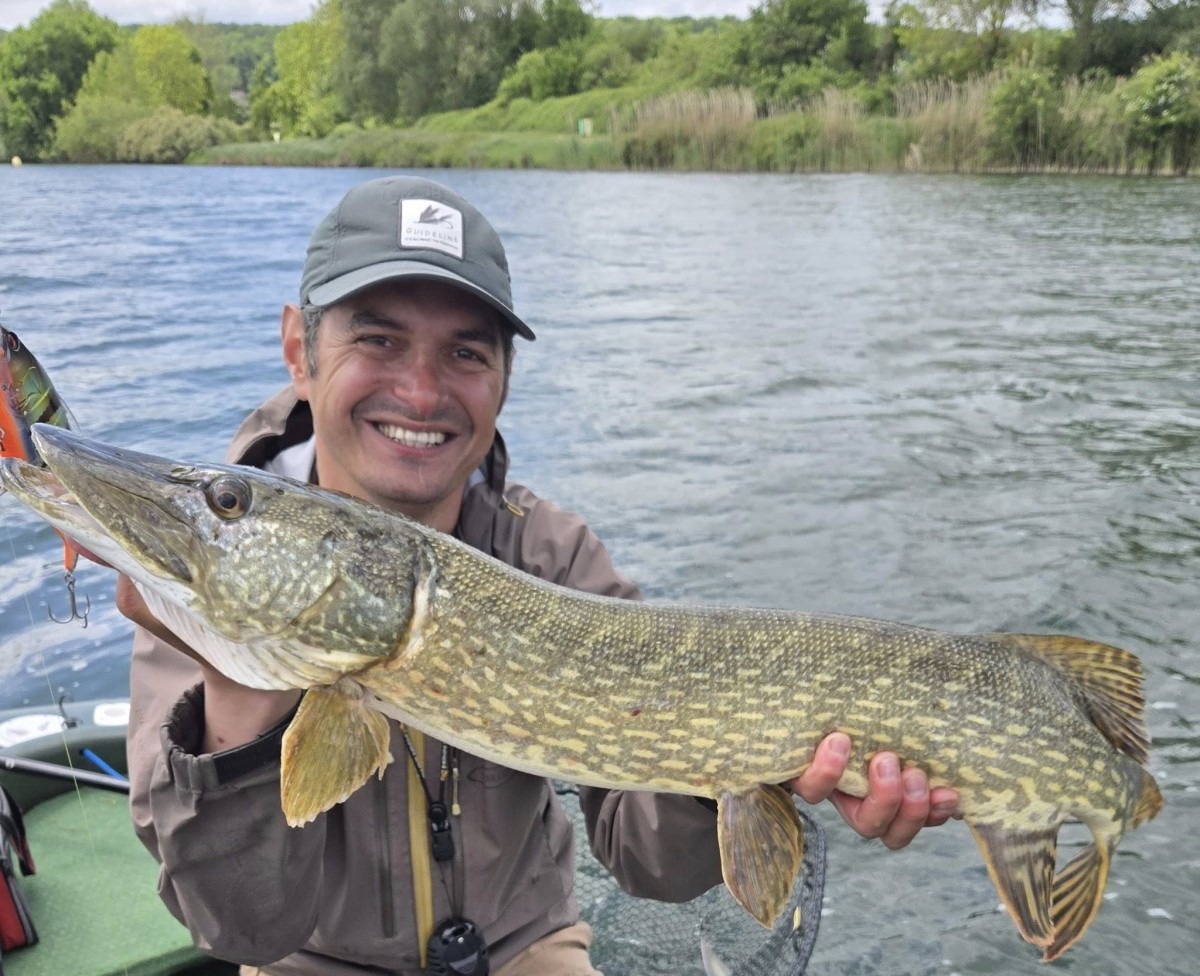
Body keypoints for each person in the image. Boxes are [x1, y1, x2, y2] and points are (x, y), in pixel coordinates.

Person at [117, 176, 959, 976]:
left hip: (527, 945)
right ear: (301, 349)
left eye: (465, 354)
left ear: (504, 380)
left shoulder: (550, 554)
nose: (420, 390)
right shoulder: (211, 579)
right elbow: (236, 924)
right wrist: (238, 705)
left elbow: (645, 856)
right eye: (377, 339)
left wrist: (731, 768)